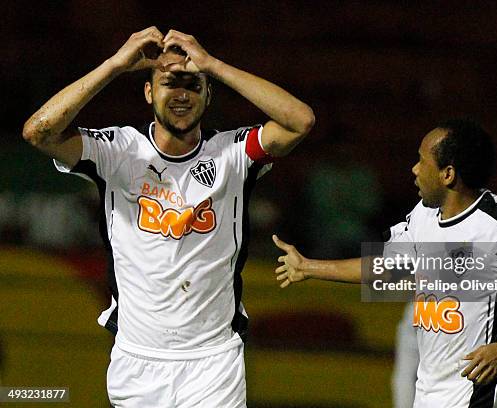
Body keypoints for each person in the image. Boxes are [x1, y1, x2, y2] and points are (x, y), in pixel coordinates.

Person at [23, 27, 314, 407]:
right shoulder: (119, 151)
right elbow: (38, 132)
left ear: (208, 96)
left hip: (214, 364)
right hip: (137, 362)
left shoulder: (232, 154)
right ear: (148, 92)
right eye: (169, 82)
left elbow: (301, 121)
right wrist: (114, 66)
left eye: (193, 84)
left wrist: (213, 65)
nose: (181, 94)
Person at [272, 119, 497, 408]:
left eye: (421, 161)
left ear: (448, 173)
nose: (413, 169)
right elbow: (388, 269)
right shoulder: (423, 216)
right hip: (428, 397)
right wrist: (309, 267)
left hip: (477, 399)